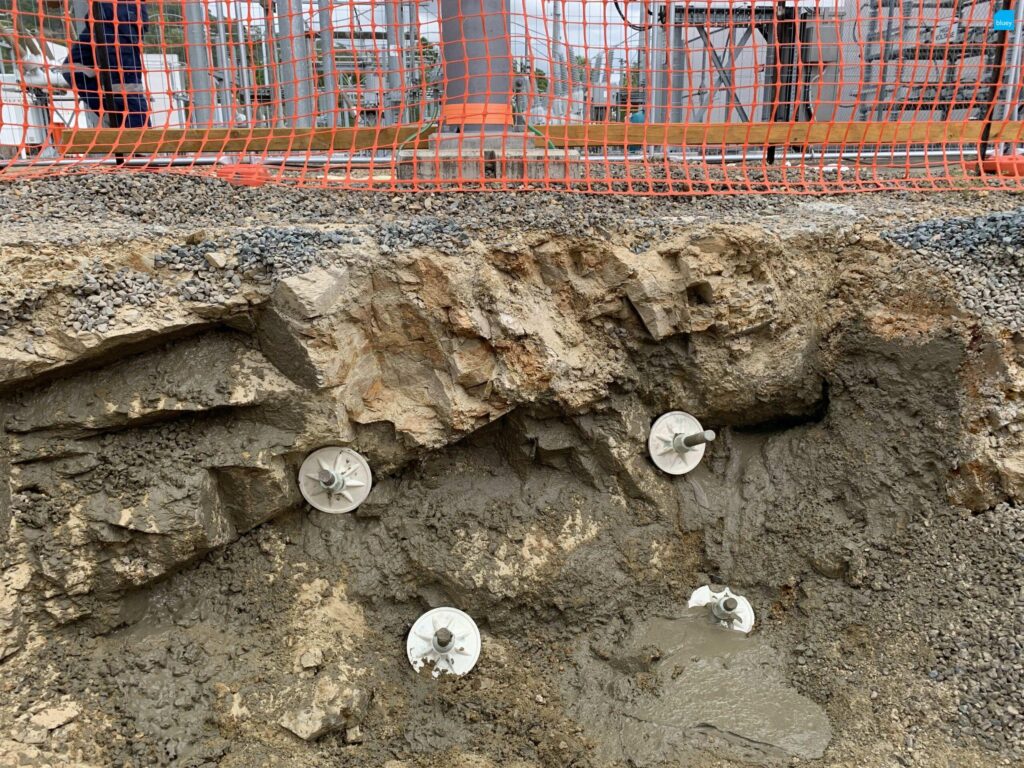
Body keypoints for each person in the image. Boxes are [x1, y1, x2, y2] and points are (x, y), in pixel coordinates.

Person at [54, 1, 150, 129]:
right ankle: (114, 115)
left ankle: (137, 127)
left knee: (121, 81)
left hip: (119, 12)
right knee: (71, 68)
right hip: (102, 13)